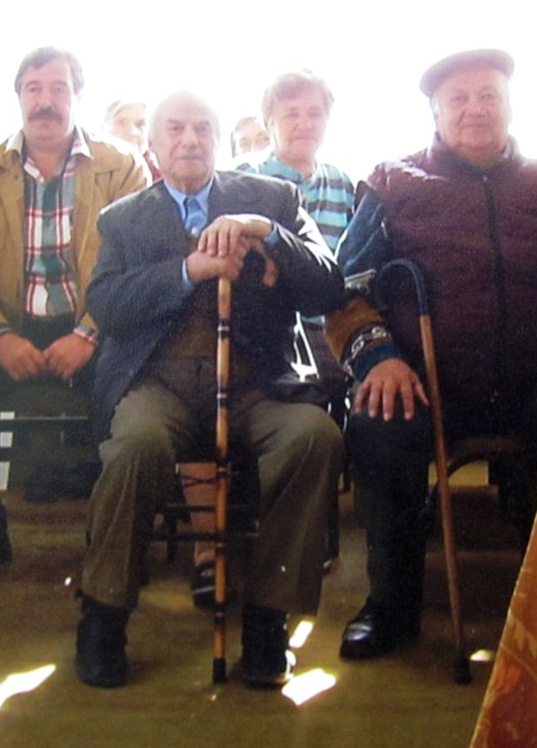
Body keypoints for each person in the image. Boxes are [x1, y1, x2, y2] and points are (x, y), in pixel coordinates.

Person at [325, 49, 537, 660]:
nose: (475, 109)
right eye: (459, 99)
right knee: (378, 420)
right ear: (436, 113)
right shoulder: (392, 182)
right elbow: (345, 287)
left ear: (510, 106)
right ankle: (391, 603)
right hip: (426, 383)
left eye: (488, 96)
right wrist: (379, 359)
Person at [75, 90, 345, 689]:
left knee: (314, 438)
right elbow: (107, 304)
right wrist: (186, 271)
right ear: (153, 145)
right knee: (135, 448)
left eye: (202, 128)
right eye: (175, 129)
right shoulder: (122, 218)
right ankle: (103, 615)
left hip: (256, 382)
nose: (190, 140)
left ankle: (269, 619)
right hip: (159, 383)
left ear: (219, 141)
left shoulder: (272, 200)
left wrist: (267, 234)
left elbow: (328, 285)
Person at [0, 47, 147, 579]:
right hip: (9, 328)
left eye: (59, 89)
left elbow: (139, 261)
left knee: (134, 400)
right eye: (34, 89)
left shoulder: (121, 167)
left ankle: (114, 547)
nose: (46, 101)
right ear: (19, 96)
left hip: (98, 330)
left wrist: (88, 334)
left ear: (78, 97)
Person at [239, 69, 354, 252]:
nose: (305, 125)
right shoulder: (247, 177)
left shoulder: (341, 184)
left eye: (314, 114)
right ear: (269, 123)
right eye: (292, 115)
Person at [104, 99, 160, 180]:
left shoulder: (166, 180)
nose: (132, 132)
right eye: (122, 123)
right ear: (103, 128)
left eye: (140, 124)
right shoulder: (88, 172)